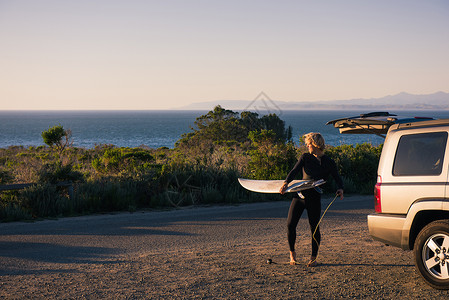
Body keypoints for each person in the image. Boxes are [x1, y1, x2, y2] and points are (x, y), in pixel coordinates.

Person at [279, 132, 344, 267]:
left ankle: (313, 258)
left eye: (308, 144)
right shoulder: (305, 157)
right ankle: (292, 255)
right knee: (290, 225)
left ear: (315, 144)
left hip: (314, 197)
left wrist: (340, 188)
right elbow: (294, 170)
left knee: (314, 228)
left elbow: (337, 177)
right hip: (300, 196)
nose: (307, 146)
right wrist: (286, 183)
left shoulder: (329, 162)